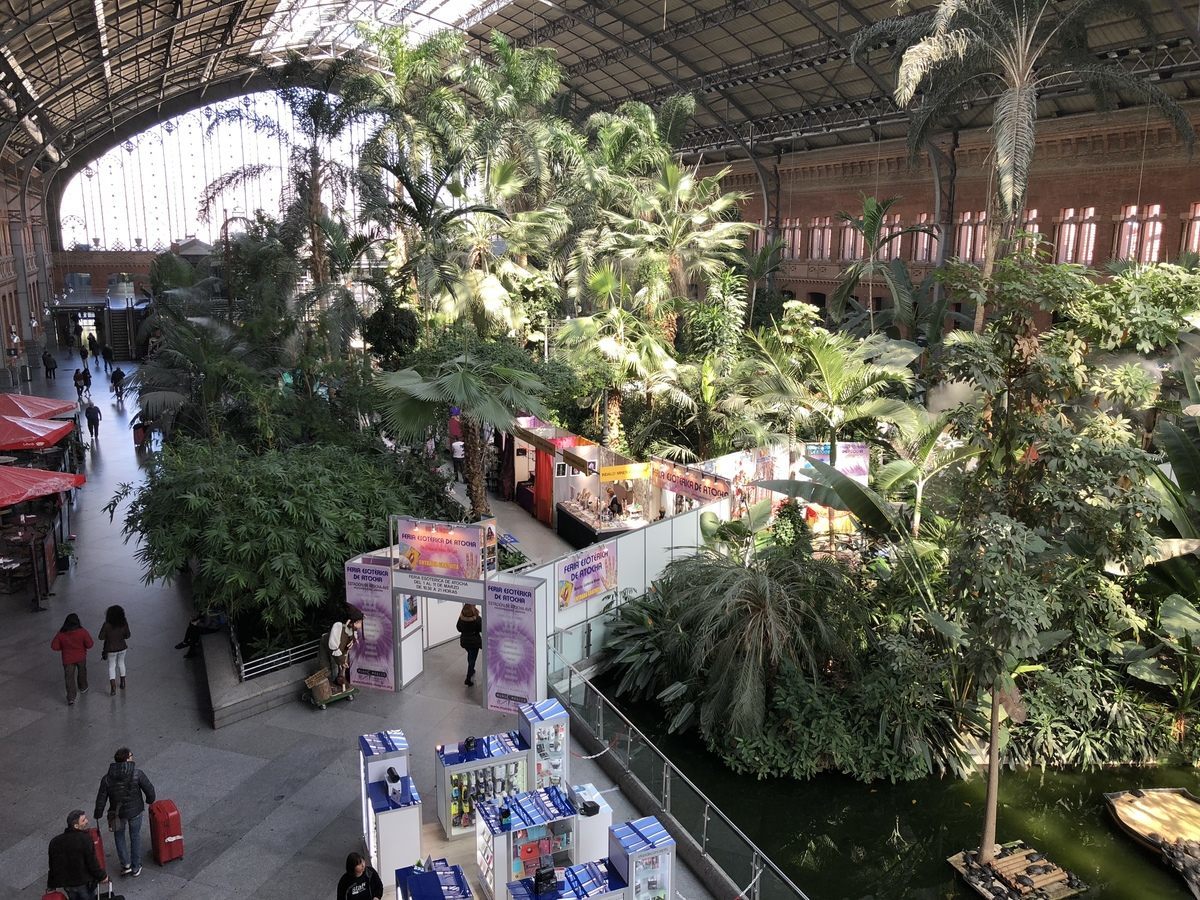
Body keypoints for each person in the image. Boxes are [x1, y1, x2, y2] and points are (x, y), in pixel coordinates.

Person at [94, 746, 155, 878]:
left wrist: (97, 813)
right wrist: (150, 800)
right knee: (135, 836)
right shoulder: (137, 773)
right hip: (136, 810)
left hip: (118, 812)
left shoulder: (107, 778)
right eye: (131, 755)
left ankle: (125, 864)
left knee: (119, 836)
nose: (133, 757)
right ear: (127, 759)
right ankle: (136, 866)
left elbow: (101, 798)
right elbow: (149, 789)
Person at [47, 809, 109, 900]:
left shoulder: (55, 842)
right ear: (76, 825)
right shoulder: (85, 839)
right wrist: (102, 876)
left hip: (67, 884)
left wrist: (51, 886)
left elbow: (53, 866)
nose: (87, 821)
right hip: (83, 882)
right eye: (83, 820)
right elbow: (92, 863)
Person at [50, 613, 93, 705]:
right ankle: (83, 687)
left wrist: (63, 648)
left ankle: (71, 698)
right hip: (81, 657)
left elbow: (54, 646)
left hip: (67, 659)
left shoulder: (61, 634)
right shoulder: (82, 632)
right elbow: (90, 644)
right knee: (82, 672)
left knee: (69, 677)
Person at [328, 607, 363, 689]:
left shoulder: (352, 629)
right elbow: (334, 646)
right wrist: (341, 660)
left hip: (343, 649)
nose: (360, 625)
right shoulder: (338, 627)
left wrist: (353, 641)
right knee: (335, 666)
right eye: (359, 622)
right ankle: (333, 682)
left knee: (343, 666)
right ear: (350, 622)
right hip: (333, 649)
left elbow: (353, 636)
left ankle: (341, 680)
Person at [98, 604, 130, 695]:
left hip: (111, 649)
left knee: (112, 666)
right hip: (122, 647)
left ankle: (113, 687)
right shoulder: (124, 623)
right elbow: (128, 635)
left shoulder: (107, 625)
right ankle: (123, 683)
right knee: (121, 663)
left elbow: (100, 637)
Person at [456, 603, 482, 687]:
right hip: (474, 642)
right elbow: (481, 629)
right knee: (472, 659)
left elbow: (458, 628)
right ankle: (468, 678)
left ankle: (471, 670)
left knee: (470, 655)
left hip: (464, 641)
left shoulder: (461, 618)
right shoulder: (477, 619)